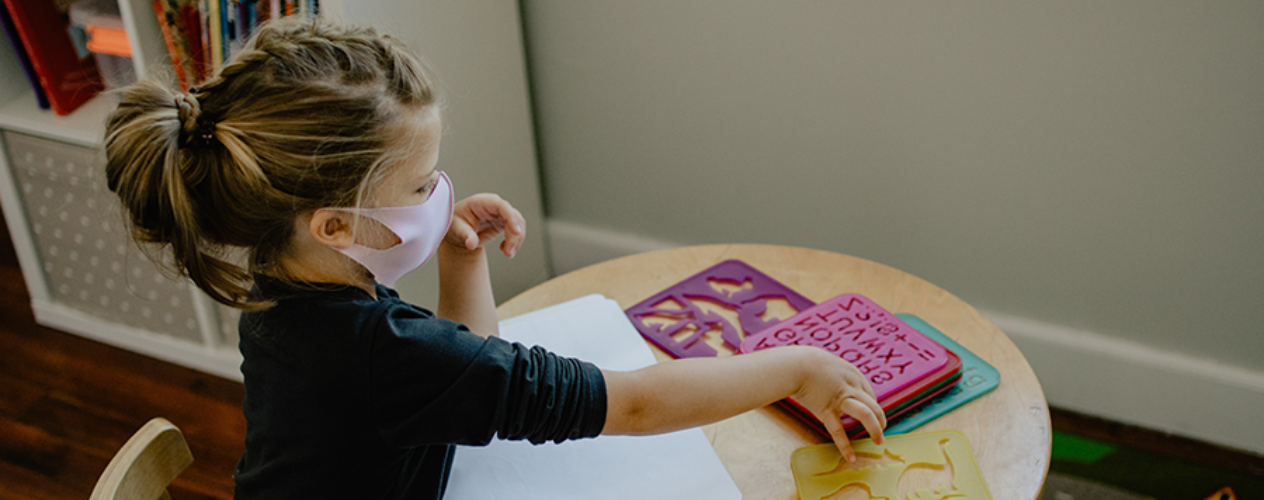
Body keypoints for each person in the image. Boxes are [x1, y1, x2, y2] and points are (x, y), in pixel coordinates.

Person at [102, 16, 885, 500]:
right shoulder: (383, 352)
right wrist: (791, 366)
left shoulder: (282, 287)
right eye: (418, 185)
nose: (441, 192)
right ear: (337, 226)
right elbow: (637, 405)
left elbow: (458, 373)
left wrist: (458, 258)